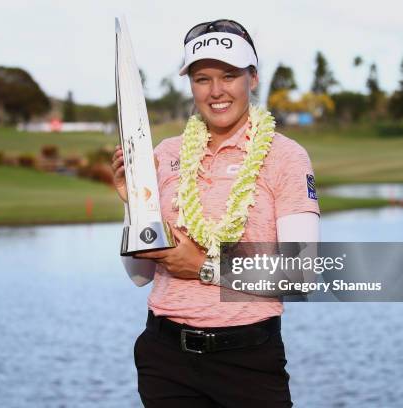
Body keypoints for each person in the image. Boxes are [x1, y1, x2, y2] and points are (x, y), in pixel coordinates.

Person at [111, 19, 320, 407]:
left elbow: (302, 274)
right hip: (165, 357)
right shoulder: (165, 154)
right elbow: (139, 275)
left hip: (247, 362)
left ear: (253, 78)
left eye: (229, 75)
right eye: (202, 78)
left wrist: (206, 265)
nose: (216, 91)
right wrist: (134, 208)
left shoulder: (287, 157)